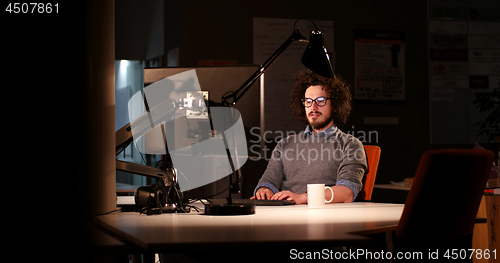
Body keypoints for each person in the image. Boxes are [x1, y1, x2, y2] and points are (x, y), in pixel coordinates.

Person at [251, 70, 367, 204]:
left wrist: (302, 198)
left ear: (335, 106)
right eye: (308, 101)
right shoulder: (285, 144)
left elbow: (347, 192)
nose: (313, 106)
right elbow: (269, 180)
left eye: (321, 101)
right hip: (285, 215)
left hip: (325, 217)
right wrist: (265, 189)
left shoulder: (350, 144)